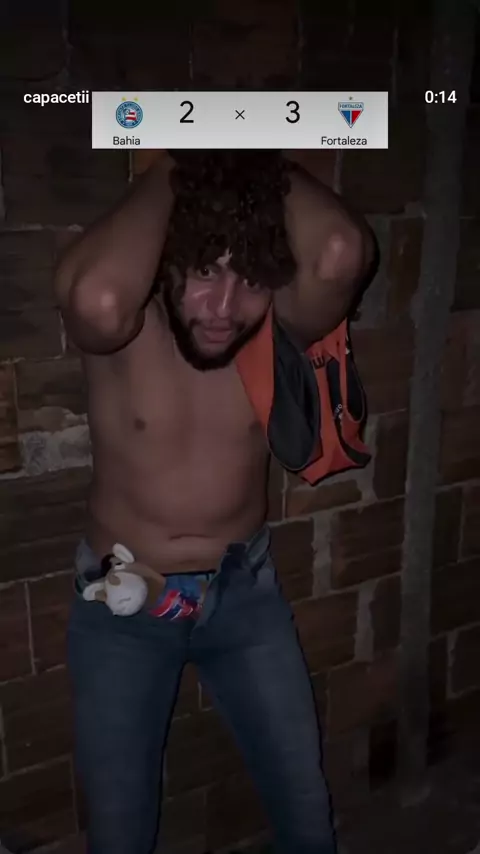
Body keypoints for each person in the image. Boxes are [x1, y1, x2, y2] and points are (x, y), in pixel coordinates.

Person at [55, 149, 375, 854]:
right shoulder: (128, 327)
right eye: (205, 271)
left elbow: (340, 252)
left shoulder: (271, 327)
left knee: (307, 818)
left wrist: (257, 152)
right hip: (123, 603)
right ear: (170, 264)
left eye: (251, 277)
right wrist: (179, 161)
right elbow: (95, 300)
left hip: (244, 595)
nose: (225, 309)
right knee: (119, 837)